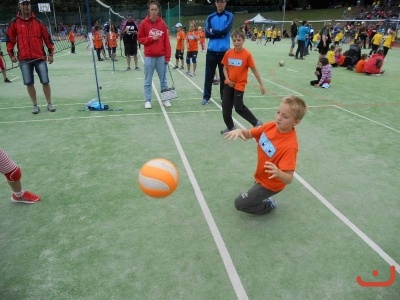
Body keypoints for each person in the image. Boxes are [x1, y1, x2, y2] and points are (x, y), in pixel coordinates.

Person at [223, 95, 307, 215]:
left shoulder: (289, 146)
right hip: (261, 176)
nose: (278, 118)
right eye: (278, 112)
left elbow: (288, 178)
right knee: (251, 195)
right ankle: (259, 192)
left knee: (239, 204)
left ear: (296, 121)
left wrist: (278, 173)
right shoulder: (270, 126)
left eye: (285, 116)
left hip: (271, 184)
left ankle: (268, 205)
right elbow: (248, 134)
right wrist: (240, 131)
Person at [6, 0, 56, 114]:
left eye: (28, 4)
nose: (26, 6)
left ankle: (49, 103)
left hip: (39, 57)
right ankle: (35, 105)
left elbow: (47, 38)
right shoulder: (14, 23)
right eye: (23, 4)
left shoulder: (38, 22)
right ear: (19, 6)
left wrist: (51, 53)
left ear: (30, 5)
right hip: (24, 59)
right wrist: (11, 55)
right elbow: (10, 40)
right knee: (29, 82)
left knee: (45, 81)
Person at [220, 29, 264, 134]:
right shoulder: (228, 53)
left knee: (238, 107)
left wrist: (261, 84)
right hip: (229, 84)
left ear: (243, 40)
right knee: (225, 107)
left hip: (239, 85)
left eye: (239, 40)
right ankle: (230, 127)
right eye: (234, 40)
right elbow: (224, 68)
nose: (236, 42)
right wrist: (227, 79)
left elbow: (254, 70)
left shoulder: (247, 55)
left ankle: (256, 122)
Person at [137, 0, 172, 109]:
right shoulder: (143, 23)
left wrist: (167, 57)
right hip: (149, 57)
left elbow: (166, 41)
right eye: (152, 9)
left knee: (164, 79)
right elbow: (140, 39)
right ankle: (147, 100)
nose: (153, 12)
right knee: (148, 80)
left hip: (161, 57)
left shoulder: (162, 24)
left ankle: (165, 99)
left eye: (155, 10)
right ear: (149, 10)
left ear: (158, 11)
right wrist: (151, 39)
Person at [201, 0, 234, 105]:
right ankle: (206, 97)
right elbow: (207, 33)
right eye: (218, 1)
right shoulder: (210, 17)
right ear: (215, 3)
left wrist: (214, 31)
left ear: (225, 3)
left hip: (224, 52)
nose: (220, 4)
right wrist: (219, 33)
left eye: (222, 1)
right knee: (208, 75)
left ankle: (223, 98)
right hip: (211, 51)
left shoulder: (229, 16)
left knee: (224, 76)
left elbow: (225, 31)